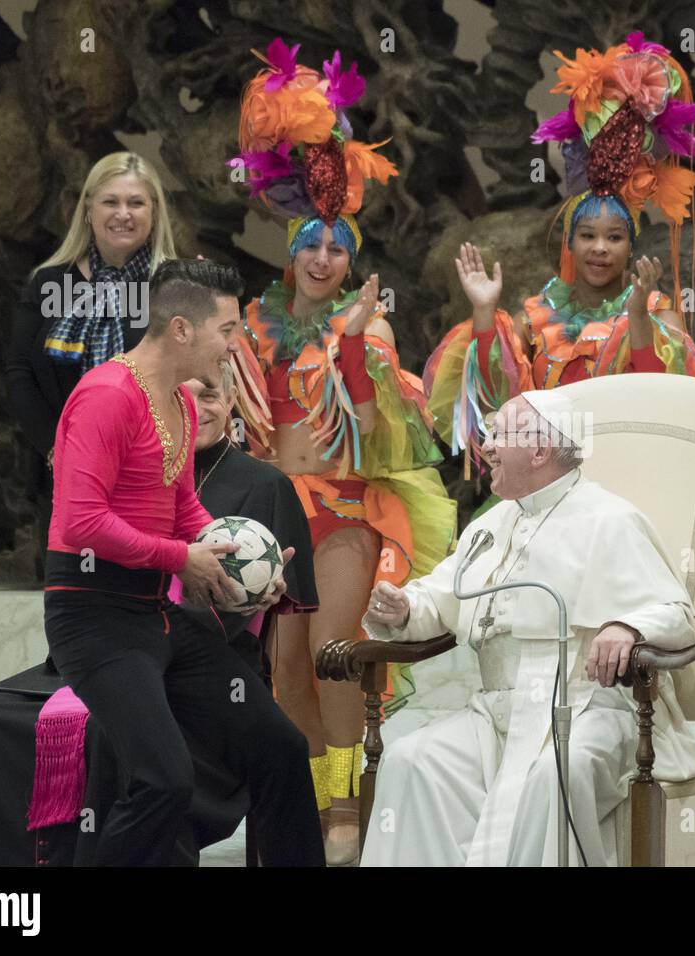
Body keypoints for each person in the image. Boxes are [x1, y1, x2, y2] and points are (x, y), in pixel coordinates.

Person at [227, 40, 457, 864]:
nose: (324, 260)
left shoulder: (371, 326)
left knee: (334, 660)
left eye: (338, 248)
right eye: (310, 245)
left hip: (344, 512)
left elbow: (377, 421)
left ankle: (346, 815)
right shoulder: (252, 326)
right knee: (283, 669)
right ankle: (302, 810)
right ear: (289, 248)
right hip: (273, 516)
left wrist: (354, 344)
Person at [42, 257, 324, 867]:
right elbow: (79, 524)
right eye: (227, 330)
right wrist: (182, 558)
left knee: (280, 746)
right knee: (163, 780)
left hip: (155, 617)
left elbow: (184, 508)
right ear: (180, 330)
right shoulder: (105, 396)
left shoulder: (182, 403)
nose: (235, 345)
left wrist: (241, 561)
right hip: (92, 619)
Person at [360, 391, 695, 866]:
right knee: (412, 760)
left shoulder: (610, 519)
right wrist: (403, 609)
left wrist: (627, 625)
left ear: (540, 452)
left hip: (586, 708)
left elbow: (677, 614)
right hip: (494, 715)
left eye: (499, 434)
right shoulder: (492, 524)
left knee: (554, 773)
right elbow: (442, 597)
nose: (487, 447)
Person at [423, 31, 695, 477]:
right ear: (569, 243)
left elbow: (667, 413)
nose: (599, 248)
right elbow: (489, 403)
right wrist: (483, 313)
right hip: (542, 491)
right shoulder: (535, 321)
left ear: (631, 247)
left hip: (623, 490)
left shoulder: (660, 319)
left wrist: (636, 319)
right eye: (588, 236)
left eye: (614, 238)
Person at [6, 151, 177, 461]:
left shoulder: (174, 287)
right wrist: (57, 450)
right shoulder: (50, 283)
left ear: (154, 213)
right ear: (88, 210)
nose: (123, 214)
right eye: (110, 202)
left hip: (151, 469)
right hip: (63, 467)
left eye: (136, 203)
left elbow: (189, 381)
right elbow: (20, 372)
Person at [179, 365, 319, 678]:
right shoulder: (140, 475)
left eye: (209, 395)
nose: (195, 408)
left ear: (230, 399)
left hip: (224, 667)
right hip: (137, 648)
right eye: (182, 396)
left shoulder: (268, 485)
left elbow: (266, 619)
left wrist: (264, 589)